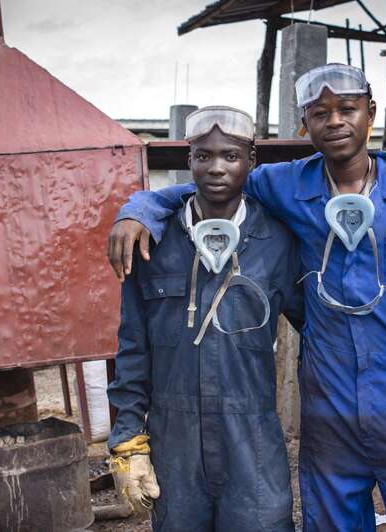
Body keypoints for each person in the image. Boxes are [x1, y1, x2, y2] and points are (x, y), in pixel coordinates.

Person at [107, 64, 386, 531]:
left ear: (371, 114)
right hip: (329, 409)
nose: (335, 121)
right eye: (320, 112)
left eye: (347, 109)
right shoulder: (286, 185)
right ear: (304, 123)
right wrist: (139, 208)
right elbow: (210, 184)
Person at [106, 106, 304, 532]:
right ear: (188, 160)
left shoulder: (276, 242)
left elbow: (320, 331)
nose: (217, 168)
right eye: (203, 156)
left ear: (251, 161)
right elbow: (133, 348)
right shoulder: (151, 243)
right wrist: (126, 436)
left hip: (251, 437)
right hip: (175, 441)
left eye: (231, 156)